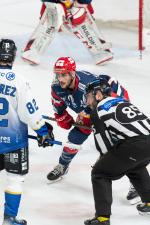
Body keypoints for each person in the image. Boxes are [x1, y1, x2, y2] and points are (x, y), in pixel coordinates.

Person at [46, 56, 129, 182]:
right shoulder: (56, 87)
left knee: (116, 144)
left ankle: (135, 182)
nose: (60, 79)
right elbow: (59, 107)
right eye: (57, 75)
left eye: (63, 75)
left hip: (113, 102)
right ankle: (63, 165)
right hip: (91, 106)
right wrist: (62, 117)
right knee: (75, 137)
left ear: (72, 73)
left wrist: (85, 112)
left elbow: (107, 101)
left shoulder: (86, 85)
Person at [0, 39, 54, 225]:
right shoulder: (20, 82)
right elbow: (30, 112)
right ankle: (9, 219)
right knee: (15, 179)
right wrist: (43, 131)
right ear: (13, 56)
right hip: (15, 141)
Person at [84, 77, 150, 225]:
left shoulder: (98, 111)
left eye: (88, 97)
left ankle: (102, 218)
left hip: (135, 145)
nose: (88, 102)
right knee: (134, 166)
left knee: (100, 173)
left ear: (98, 94)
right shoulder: (123, 101)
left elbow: (104, 146)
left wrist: (102, 162)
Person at [21, 0, 113, 65]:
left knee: (80, 18)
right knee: (53, 16)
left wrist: (83, 3)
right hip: (55, 3)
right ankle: (33, 51)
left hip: (76, 4)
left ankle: (100, 51)